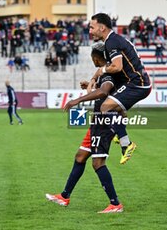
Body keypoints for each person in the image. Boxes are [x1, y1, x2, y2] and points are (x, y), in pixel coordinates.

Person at [46, 47, 124, 213]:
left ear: (96, 59)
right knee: (80, 157)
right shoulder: (105, 73)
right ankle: (64, 196)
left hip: (104, 124)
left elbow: (104, 90)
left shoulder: (108, 74)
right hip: (96, 123)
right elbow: (102, 92)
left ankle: (115, 204)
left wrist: (77, 100)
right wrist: (89, 87)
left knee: (97, 163)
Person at [88, 13, 152, 161]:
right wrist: (95, 78)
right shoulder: (113, 40)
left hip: (137, 84)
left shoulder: (111, 42)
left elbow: (116, 67)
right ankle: (119, 134)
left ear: (102, 27)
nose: (90, 31)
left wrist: (101, 71)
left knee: (105, 108)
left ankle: (126, 144)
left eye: (92, 27)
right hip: (135, 82)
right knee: (117, 110)